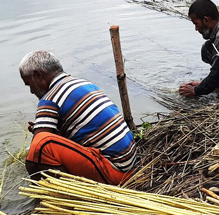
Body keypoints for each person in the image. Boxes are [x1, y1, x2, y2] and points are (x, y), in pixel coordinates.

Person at [19, 50, 136, 185]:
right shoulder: (83, 84)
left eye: (29, 84)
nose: (32, 91)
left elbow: (37, 146)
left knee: (41, 145)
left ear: (38, 75)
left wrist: (39, 133)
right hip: (129, 166)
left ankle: (49, 195)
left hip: (114, 174)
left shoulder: (50, 98)